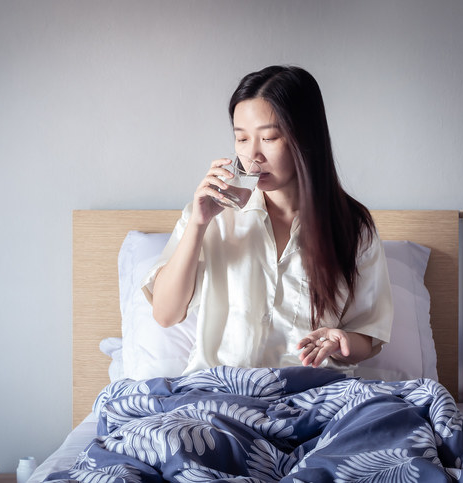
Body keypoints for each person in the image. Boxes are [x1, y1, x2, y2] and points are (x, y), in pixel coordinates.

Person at [142, 65, 393, 376]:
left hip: (312, 393)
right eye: (242, 139)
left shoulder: (354, 226)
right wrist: (197, 224)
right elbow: (165, 314)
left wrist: (339, 340)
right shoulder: (214, 215)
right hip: (223, 391)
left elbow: (368, 336)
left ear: (305, 137)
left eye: (269, 137)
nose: (253, 155)